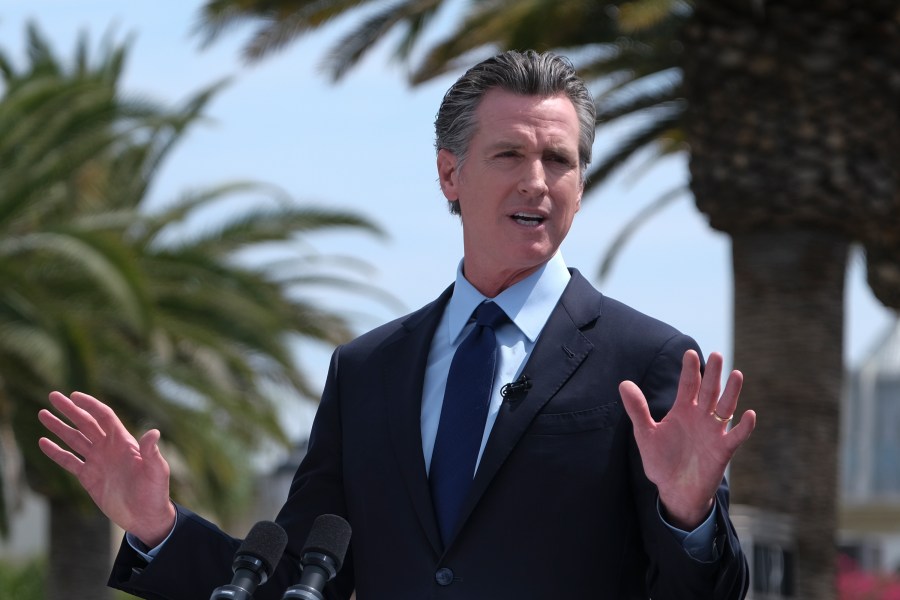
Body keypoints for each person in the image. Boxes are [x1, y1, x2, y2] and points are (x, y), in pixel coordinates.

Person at [39, 49, 757, 599]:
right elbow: (301, 574)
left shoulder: (649, 359)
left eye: (558, 160)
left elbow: (703, 591)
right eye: (509, 153)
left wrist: (687, 516)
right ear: (450, 174)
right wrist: (160, 528)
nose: (537, 179)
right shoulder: (368, 371)